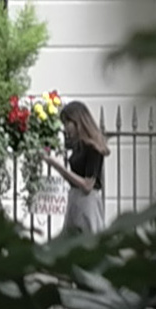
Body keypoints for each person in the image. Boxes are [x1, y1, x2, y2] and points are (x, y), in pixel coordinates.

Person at [59, 99, 110, 238]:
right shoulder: (78, 146)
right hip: (75, 198)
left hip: (87, 201)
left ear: (78, 122)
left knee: (87, 241)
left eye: (67, 123)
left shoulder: (93, 147)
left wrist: (59, 168)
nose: (65, 128)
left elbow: (88, 185)